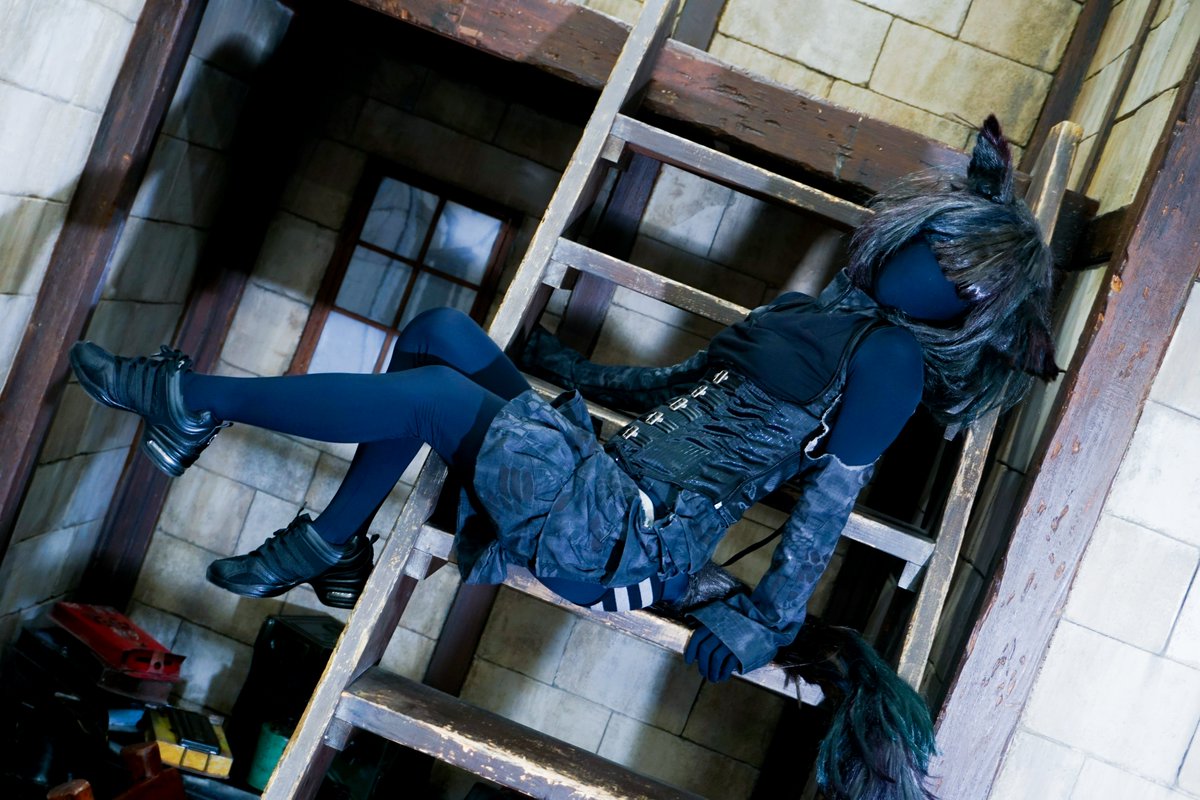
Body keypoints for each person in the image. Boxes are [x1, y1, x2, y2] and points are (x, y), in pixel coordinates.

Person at [70, 116, 1055, 689]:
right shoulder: (822, 312)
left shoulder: (892, 363)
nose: (934, 273)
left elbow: (827, 509)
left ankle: (182, 397)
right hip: (603, 474)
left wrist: (766, 619)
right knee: (443, 331)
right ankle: (333, 542)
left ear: (971, 316)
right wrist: (567, 371)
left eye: (961, 284)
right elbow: (676, 385)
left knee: (433, 396)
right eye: (941, 248)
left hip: (627, 540)